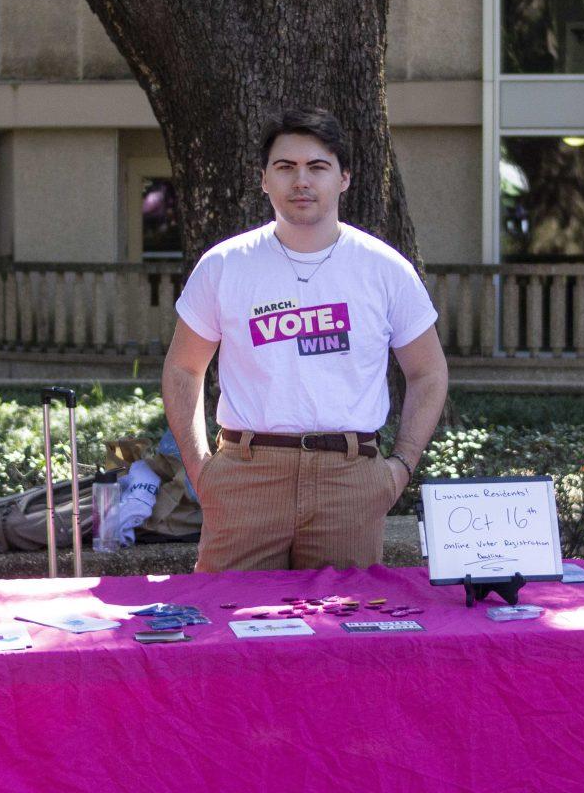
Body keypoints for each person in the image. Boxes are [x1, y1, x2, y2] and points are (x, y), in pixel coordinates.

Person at [162, 107, 448, 572]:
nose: (301, 181)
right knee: (224, 630)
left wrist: (399, 469)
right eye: (285, 167)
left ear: (344, 179)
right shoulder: (224, 265)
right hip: (247, 477)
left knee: (345, 633)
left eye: (317, 167)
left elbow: (428, 372)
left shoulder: (385, 269)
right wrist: (200, 468)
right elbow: (183, 368)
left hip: (349, 480)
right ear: (263, 180)